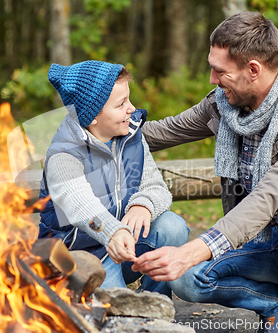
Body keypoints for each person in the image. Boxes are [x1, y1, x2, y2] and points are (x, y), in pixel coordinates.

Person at [133, 11, 278, 333]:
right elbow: (160, 133)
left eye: (219, 70)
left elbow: (271, 194)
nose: (212, 79)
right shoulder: (223, 103)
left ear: (253, 69)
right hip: (258, 243)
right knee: (185, 280)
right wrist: (87, 128)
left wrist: (193, 249)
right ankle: (277, 305)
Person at [38, 60, 189, 298]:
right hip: (79, 256)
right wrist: (113, 231)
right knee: (115, 308)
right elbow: (79, 204)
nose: (131, 108)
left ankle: (157, 302)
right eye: (121, 104)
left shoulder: (130, 137)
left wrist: (143, 204)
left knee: (172, 227)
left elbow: (156, 186)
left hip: (122, 244)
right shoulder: (63, 154)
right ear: (92, 116)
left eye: (128, 99)